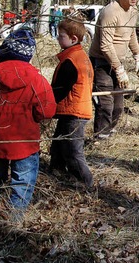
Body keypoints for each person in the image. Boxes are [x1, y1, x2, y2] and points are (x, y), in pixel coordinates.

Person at [0, 28, 56, 220]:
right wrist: (35, 118)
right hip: (25, 141)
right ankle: (13, 218)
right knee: (23, 181)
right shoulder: (37, 81)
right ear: (28, 55)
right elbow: (47, 111)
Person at [88, 0, 139, 140]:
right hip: (101, 64)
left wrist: (138, 55)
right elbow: (105, 45)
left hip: (118, 63)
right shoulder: (110, 12)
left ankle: (108, 134)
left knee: (118, 106)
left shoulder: (133, 11)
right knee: (105, 103)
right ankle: (100, 138)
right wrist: (118, 69)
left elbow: (131, 34)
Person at [49, 16, 94, 188]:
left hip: (74, 112)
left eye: (61, 36)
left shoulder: (71, 61)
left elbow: (60, 90)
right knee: (59, 145)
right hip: (72, 110)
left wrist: (44, 104)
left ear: (73, 39)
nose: (58, 38)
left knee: (73, 151)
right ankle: (56, 172)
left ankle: (85, 182)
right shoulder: (80, 56)